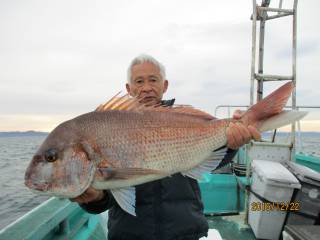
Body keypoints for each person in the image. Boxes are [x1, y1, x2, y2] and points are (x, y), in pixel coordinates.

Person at [71, 54, 261, 240]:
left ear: (165, 85)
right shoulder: (109, 127)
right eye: (139, 81)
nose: (146, 88)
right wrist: (95, 199)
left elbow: (209, 160)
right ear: (128, 88)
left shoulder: (184, 120)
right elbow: (105, 199)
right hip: (130, 234)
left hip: (185, 231)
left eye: (153, 80)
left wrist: (231, 145)